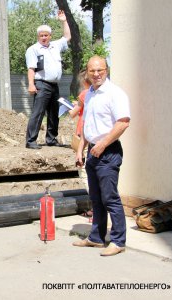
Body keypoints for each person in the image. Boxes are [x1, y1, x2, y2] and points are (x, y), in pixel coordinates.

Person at [73, 55, 131, 256]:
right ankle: (96, 238)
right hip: (92, 151)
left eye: (100, 70)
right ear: (87, 72)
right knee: (96, 198)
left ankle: (118, 241)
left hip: (108, 151)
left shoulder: (115, 93)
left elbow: (123, 122)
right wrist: (81, 149)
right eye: (92, 70)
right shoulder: (89, 93)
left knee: (110, 198)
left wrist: (103, 144)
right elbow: (88, 125)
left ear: (107, 70)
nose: (96, 74)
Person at [25, 10, 71, 149]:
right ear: (38, 37)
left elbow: (67, 36)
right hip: (41, 84)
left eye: (46, 35)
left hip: (54, 85)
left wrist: (63, 21)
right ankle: (30, 141)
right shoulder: (33, 49)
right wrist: (31, 84)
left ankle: (51, 139)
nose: (44, 37)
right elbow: (31, 68)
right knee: (38, 112)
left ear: (50, 36)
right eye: (41, 36)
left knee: (53, 114)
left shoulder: (55, 45)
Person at [69, 69, 90, 191]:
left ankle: (94, 205)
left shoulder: (85, 94)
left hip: (82, 135)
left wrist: (69, 107)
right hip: (90, 136)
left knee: (83, 171)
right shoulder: (97, 93)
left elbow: (73, 113)